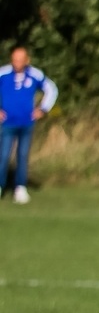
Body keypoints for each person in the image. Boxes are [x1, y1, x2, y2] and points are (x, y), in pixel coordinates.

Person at [0, 46, 58, 204]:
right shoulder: (3, 73)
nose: (17, 62)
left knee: (23, 156)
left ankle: (20, 188)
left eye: (20, 59)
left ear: (27, 60)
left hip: (26, 123)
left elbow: (51, 89)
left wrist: (43, 109)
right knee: (3, 156)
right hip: (7, 123)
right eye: (14, 59)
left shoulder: (35, 74)